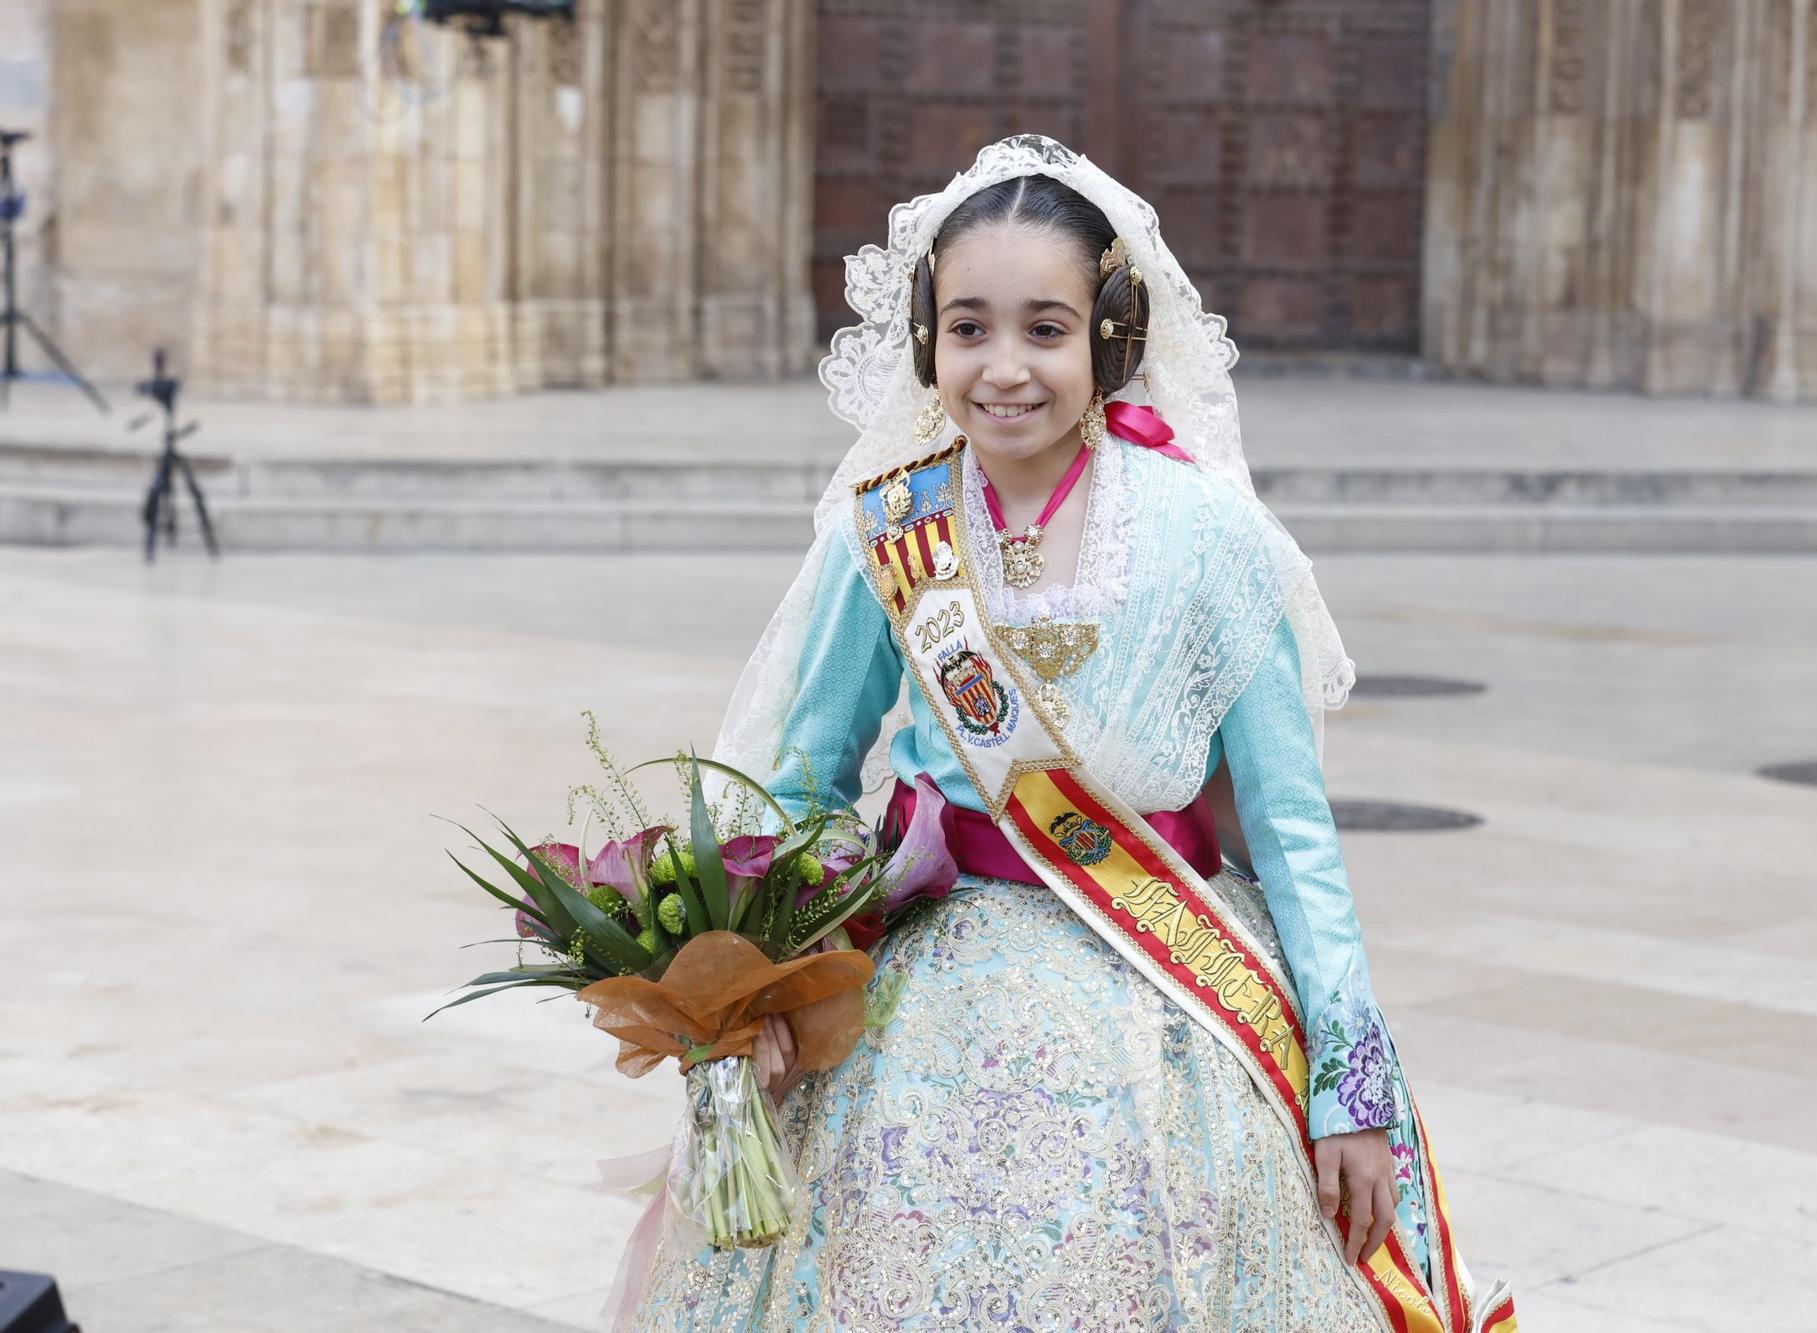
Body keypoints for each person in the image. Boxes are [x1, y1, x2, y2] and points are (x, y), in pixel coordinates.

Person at [624, 134, 1515, 1333]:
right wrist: (757, 991)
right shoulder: (884, 532)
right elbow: (801, 783)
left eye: (1044, 329)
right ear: (927, 340)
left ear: (1109, 335)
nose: (1002, 368)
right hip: (922, 999)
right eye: (966, 327)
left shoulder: (1208, 533)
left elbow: (1292, 828)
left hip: (1170, 994)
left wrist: (1345, 1086)